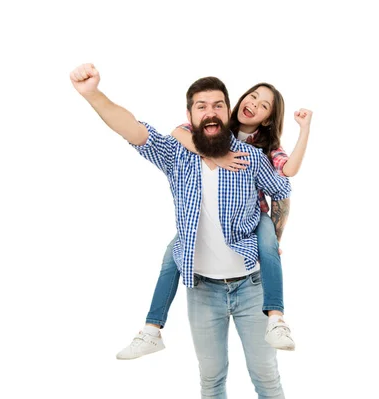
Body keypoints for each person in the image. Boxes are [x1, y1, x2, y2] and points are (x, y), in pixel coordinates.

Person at [70, 63, 290, 398]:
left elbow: (282, 192)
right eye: (201, 107)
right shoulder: (177, 155)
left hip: (251, 287)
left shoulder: (249, 156)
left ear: (228, 112)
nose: (211, 112)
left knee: (266, 378)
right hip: (203, 290)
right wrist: (93, 95)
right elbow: (132, 128)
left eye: (218, 105)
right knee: (211, 380)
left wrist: (272, 238)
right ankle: (151, 330)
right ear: (190, 114)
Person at [116, 82, 313, 359]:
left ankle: (277, 318)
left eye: (264, 105)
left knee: (270, 248)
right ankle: (151, 328)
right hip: (211, 222)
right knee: (174, 254)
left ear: (268, 118)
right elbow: (179, 132)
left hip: (255, 217)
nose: (255, 104)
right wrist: (214, 154)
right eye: (253, 96)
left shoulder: (265, 148)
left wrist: (304, 130)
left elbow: (286, 176)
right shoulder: (219, 125)